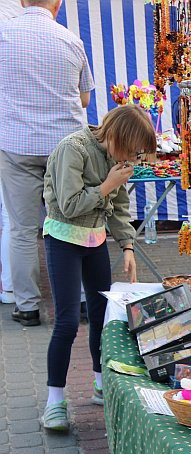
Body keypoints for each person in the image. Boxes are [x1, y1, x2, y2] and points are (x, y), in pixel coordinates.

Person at [40, 105, 153, 431]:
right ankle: (54, 401)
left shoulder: (118, 159)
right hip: (63, 239)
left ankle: (101, 384)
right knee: (67, 321)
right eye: (131, 150)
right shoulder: (72, 149)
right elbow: (68, 204)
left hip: (95, 242)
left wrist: (127, 245)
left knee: (103, 316)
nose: (132, 158)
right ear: (117, 135)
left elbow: (119, 207)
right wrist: (106, 184)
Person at [0, 0, 95, 326]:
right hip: (65, 146)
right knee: (74, 222)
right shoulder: (70, 39)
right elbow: (84, 98)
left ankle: (27, 306)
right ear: (57, 3)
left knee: (23, 230)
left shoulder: (3, 37)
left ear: (23, 2)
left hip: (17, 146)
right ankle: (82, 301)